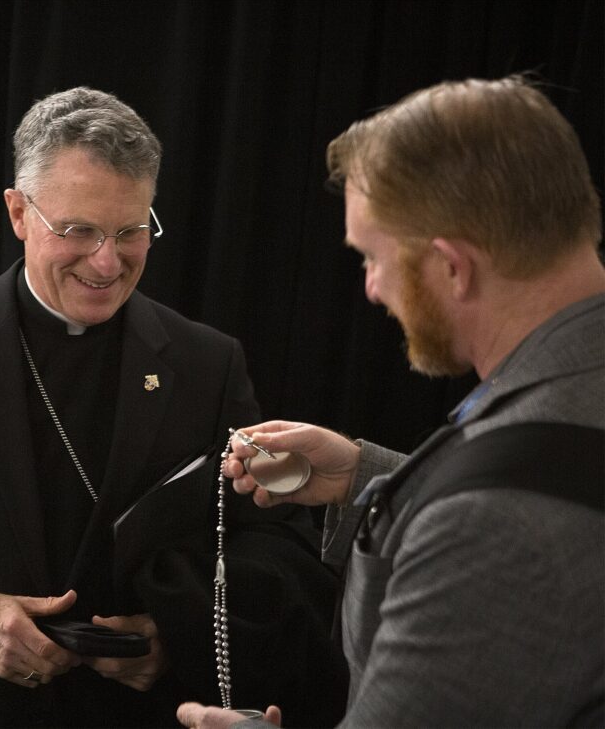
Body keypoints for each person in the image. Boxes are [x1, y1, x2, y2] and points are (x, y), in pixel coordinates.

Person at [0, 86, 347, 728]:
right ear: (17, 212)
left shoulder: (206, 363)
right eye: (78, 231)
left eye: (130, 231)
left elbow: (271, 544)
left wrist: (176, 632)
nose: (107, 261)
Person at [177, 75, 604, 729]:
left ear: (452, 267)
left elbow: (507, 525)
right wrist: (365, 478)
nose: (373, 290)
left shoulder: (489, 526)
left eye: (374, 258)